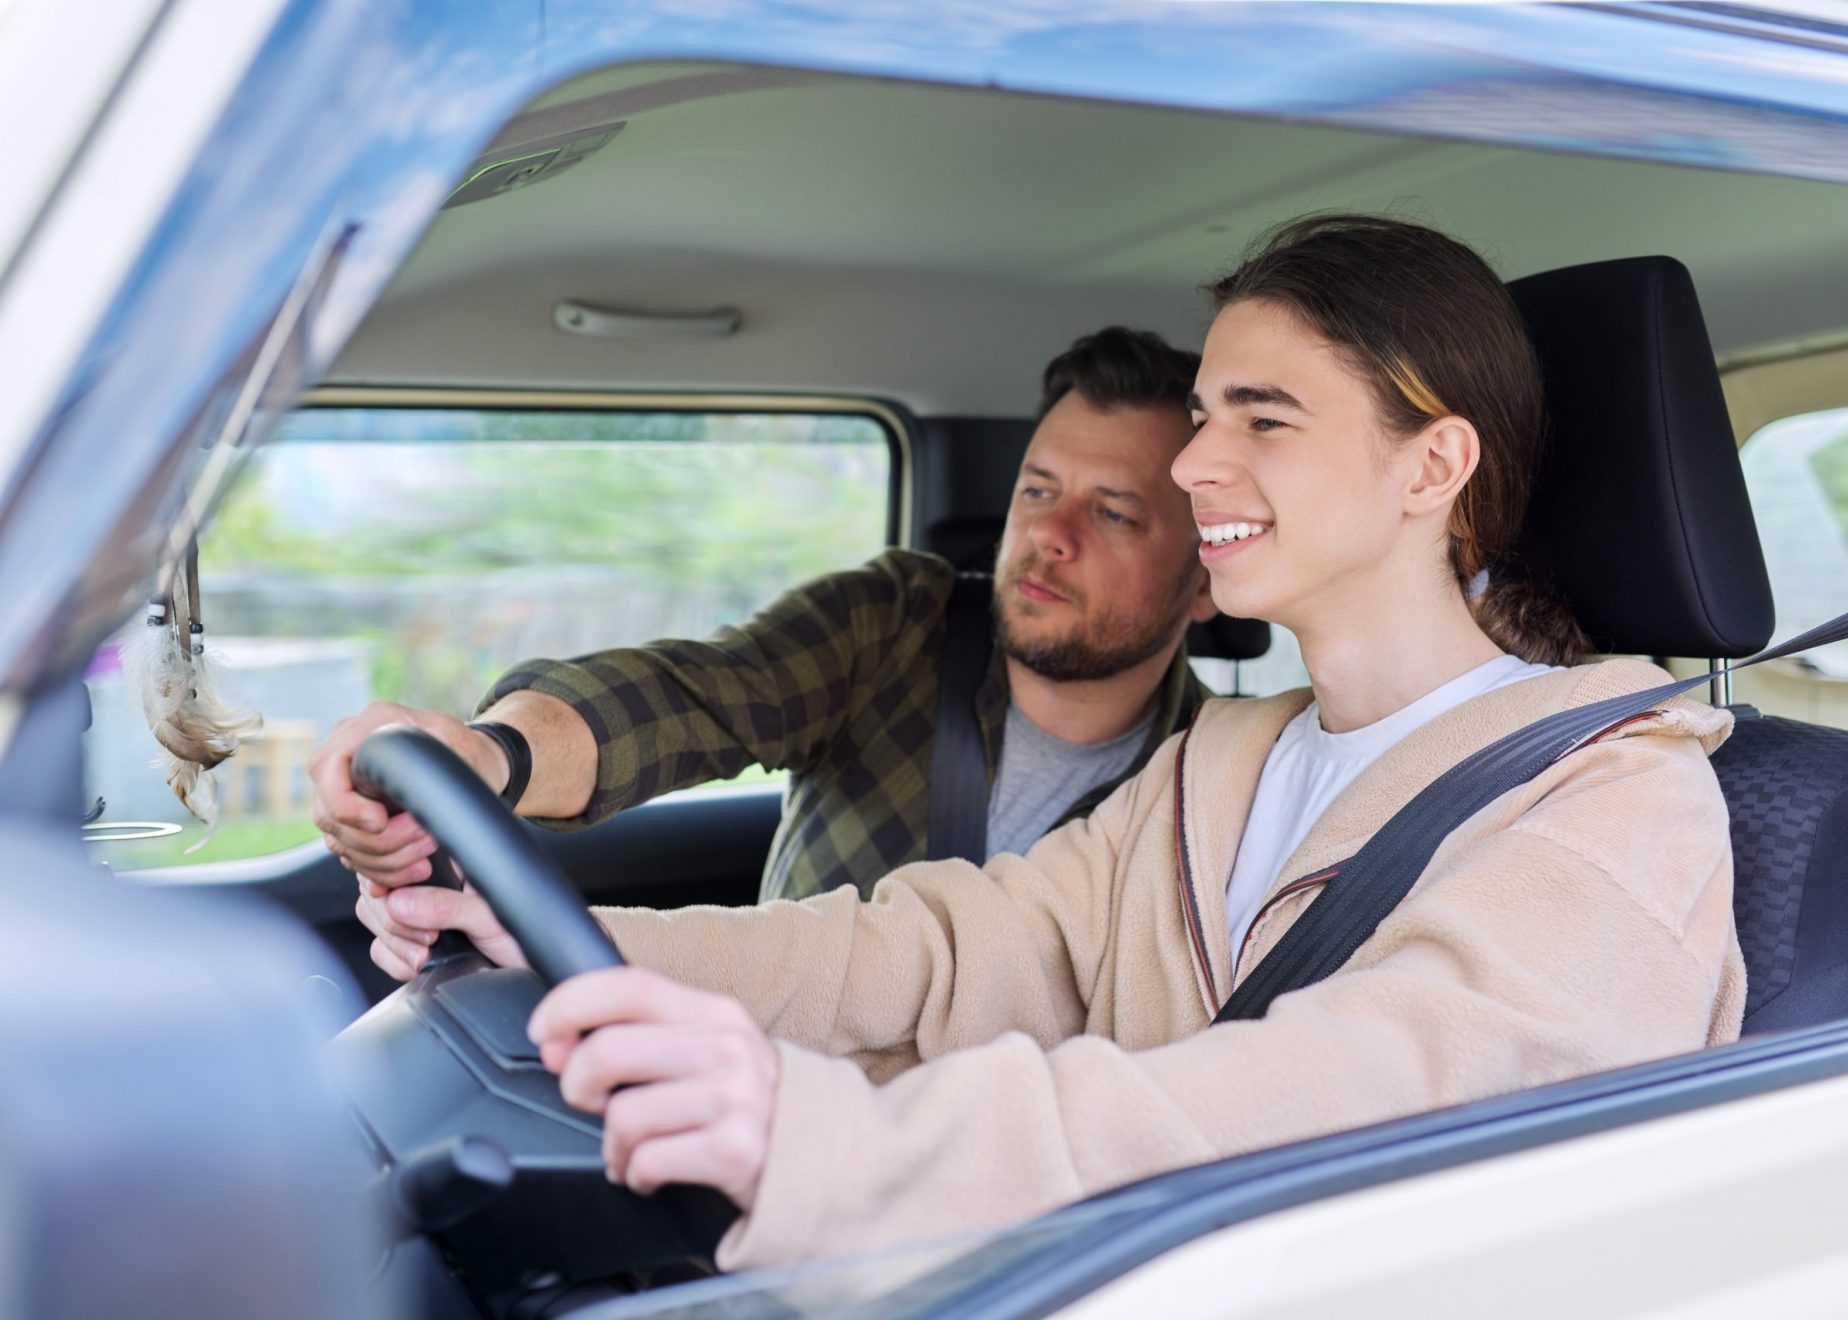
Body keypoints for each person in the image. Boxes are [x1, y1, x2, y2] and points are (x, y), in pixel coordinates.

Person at [356, 214, 1745, 1271]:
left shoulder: (1617, 808)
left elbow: (1341, 1107)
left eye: (1263, 420)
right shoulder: (1229, 762)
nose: (1198, 465)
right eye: (1208, 419)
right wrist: (563, 941)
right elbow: (945, 946)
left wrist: (830, 1140)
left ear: (1431, 468)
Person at [312, 327, 1219, 903]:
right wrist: (493, 758)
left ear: (1202, 577)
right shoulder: (898, 625)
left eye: (1114, 512)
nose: (1048, 533)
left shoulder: (1223, 777)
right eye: (1037, 488)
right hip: (762, 1115)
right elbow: (689, 698)